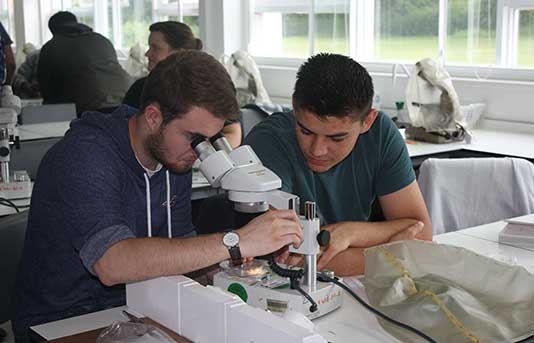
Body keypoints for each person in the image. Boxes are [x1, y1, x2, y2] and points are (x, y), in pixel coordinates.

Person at [12, 50, 303, 342]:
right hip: (64, 322)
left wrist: (248, 265)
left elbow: (182, 253)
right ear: (153, 117)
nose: (201, 152)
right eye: (195, 139)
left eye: (212, 139)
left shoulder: (174, 160)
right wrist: (236, 242)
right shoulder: (83, 157)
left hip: (143, 310)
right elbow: (113, 264)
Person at [245, 53, 432, 276]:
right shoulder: (268, 141)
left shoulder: (380, 133)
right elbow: (284, 260)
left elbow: (421, 235)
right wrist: (391, 255)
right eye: (305, 131)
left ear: (367, 121)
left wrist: (350, 233)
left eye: (336, 138)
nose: (317, 150)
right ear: (294, 107)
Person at [123, 21, 242, 148]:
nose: (147, 54)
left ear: (179, 53)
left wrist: (202, 157)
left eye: (155, 48)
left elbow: (233, 131)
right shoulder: (139, 89)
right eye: (149, 47)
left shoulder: (204, 90)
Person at [37, 11, 132, 116]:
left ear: (53, 30)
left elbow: (45, 88)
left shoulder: (51, 46)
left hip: (88, 107)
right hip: (125, 99)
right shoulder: (101, 39)